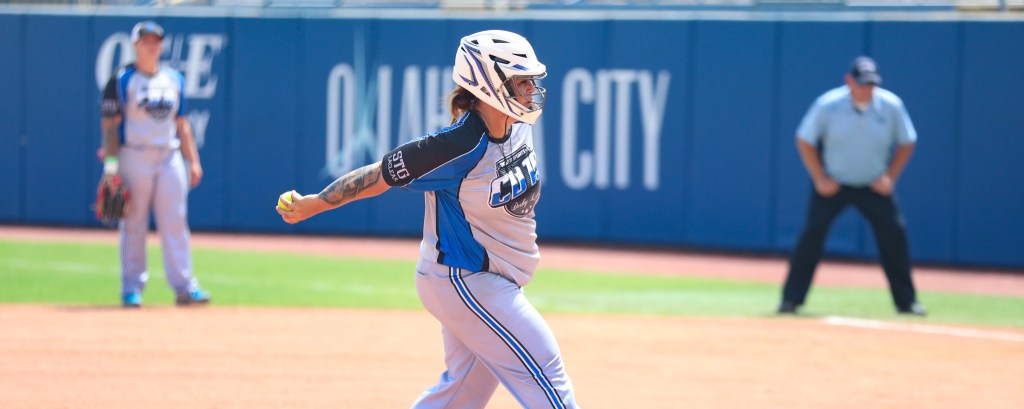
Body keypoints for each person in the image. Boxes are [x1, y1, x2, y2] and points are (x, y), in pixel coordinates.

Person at [277, 30, 579, 408]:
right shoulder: (458, 145)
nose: (531, 88)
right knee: (547, 374)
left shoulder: (518, 125)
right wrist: (315, 204)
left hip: (490, 279)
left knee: (462, 392)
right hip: (465, 278)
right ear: (488, 83)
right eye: (521, 80)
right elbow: (378, 175)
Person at [778, 56, 926, 316]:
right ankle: (791, 300)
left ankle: (907, 302)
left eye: (871, 84)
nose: (867, 89)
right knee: (811, 235)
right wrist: (819, 177)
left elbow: (907, 141)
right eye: (862, 84)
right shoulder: (828, 105)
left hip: (873, 184)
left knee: (894, 235)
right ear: (849, 82)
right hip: (834, 183)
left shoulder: (891, 106)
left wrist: (890, 177)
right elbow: (804, 139)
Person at [100, 21, 210, 308]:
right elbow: (110, 127)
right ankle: (131, 288)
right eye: (146, 40)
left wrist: (193, 161)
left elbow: (182, 125)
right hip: (134, 154)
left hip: (169, 155)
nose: (152, 44)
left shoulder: (174, 78)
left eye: (156, 40)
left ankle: (185, 287)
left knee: (175, 222)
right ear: (136, 45)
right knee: (133, 222)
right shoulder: (122, 79)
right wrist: (111, 168)